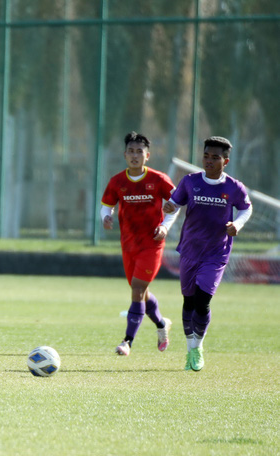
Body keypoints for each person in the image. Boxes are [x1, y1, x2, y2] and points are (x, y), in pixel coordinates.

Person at [163, 136, 252, 372]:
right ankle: (190, 347)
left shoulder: (233, 187)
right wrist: (165, 219)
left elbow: (246, 208)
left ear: (226, 161)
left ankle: (197, 348)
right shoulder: (190, 182)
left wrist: (238, 225)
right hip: (190, 250)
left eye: (215, 157)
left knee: (203, 301)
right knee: (189, 301)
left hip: (216, 253)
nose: (209, 161)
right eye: (206, 156)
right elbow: (173, 206)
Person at [100, 132, 178, 356]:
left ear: (148, 156)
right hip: (128, 244)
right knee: (141, 292)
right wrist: (105, 217)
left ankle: (127, 342)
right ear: (125, 155)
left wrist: (165, 227)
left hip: (152, 243)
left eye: (139, 152)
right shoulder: (117, 182)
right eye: (131, 151)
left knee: (136, 289)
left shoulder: (159, 179)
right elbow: (107, 205)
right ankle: (162, 325)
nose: (135, 156)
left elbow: (176, 203)